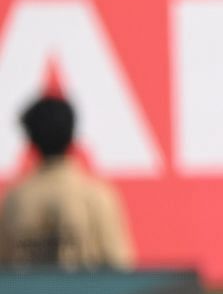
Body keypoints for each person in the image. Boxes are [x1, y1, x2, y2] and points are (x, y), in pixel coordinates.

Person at [0, 95, 134, 270]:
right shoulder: (97, 197)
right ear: (72, 134)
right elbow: (120, 269)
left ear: (30, 140)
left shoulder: (15, 201)